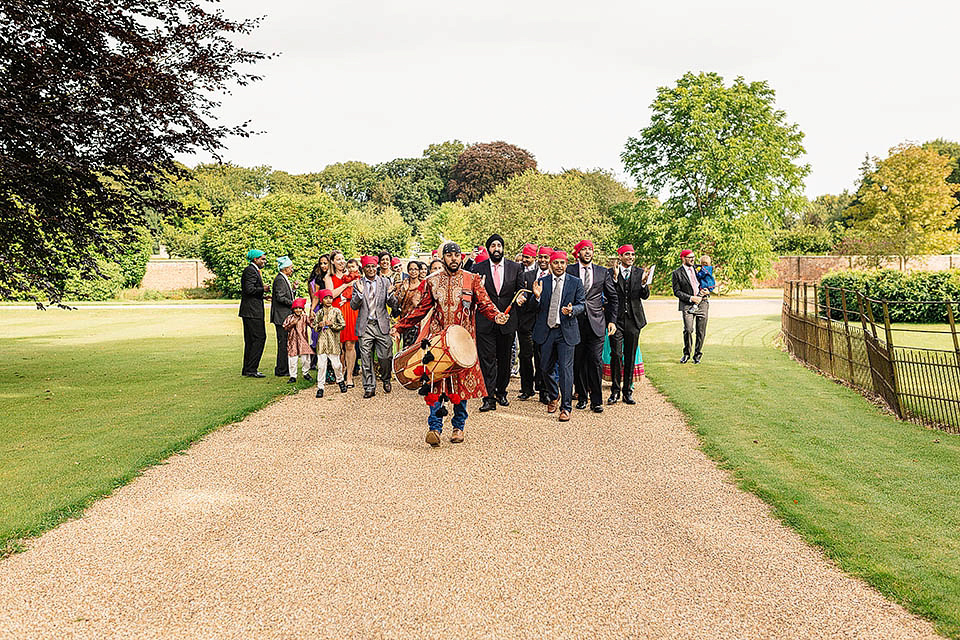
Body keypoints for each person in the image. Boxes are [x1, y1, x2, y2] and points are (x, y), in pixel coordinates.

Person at [392, 242, 509, 447]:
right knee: (435, 384)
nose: (453, 258)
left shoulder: (471, 280)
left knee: (460, 386)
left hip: (462, 343)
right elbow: (421, 310)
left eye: (456, 255)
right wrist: (400, 326)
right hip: (437, 343)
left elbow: (484, 303)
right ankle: (434, 428)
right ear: (443, 258)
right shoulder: (432, 281)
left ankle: (458, 426)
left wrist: (496, 316)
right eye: (449, 255)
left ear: (461, 257)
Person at [525, 250, 585, 422]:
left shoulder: (575, 282)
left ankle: (566, 408)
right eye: (556, 262)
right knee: (544, 368)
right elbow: (532, 308)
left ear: (566, 264)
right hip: (546, 331)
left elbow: (583, 304)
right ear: (551, 264)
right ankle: (553, 395)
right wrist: (536, 298)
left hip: (566, 331)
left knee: (566, 371)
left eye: (562, 263)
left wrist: (573, 310)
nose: (559, 266)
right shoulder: (541, 282)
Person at [471, 233, 524, 412]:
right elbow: (472, 295)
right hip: (485, 322)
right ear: (488, 249)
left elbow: (520, 290)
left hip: (507, 321)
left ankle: (501, 391)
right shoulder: (477, 268)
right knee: (487, 360)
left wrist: (521, 298)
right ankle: (488, 397)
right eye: (493, 246)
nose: (496, 249)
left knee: (504, 359)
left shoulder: (515, 267)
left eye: (499, 246)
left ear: (503, 248)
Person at [567, 240, 618, 413]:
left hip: (597, 322)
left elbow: (613, 297)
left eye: (590, 249)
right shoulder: (570, 270)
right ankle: (581, 397)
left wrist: (612, 321)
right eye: (584, 249)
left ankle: (597, 400)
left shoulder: (603, 272)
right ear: (578, 252)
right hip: (575, 322)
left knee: (596, 361)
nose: (588, 252)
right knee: (578, 361)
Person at [607, 244, 650, 405]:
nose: (631, 257)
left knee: (630, 356)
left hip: (634, 320)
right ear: (620, 257)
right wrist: (616, 279)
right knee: (616, 355)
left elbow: (644, 296)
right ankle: (615, 391)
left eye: (632, 254)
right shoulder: (611, 273)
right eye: (627, 254)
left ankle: (627, 392)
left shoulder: (639, 273)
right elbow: (610, 293)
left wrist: (644, 284)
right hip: (616, 320)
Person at [351, 255, 398, 398]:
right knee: (366, 357)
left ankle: (385, 378)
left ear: (376, 268)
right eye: (367, 267)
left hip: (381, 324)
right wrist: (359, 293)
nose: (370, 269)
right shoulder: (358, 284)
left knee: (385, 356)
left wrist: (390, 295)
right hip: (365, 326)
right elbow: (353, 305)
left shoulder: (385, 282)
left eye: (373, 267)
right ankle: (369, 387)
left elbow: (393, 304)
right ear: (363, 269)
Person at [325, 251, 358, 389]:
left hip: (350, 311)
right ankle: (340, 374)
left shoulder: (350, 274)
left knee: (350, 345)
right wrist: (346, 285)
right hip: (336, 313)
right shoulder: (329, 277)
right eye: (338, 259)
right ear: (332, 261)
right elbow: (330, 295)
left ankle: (349, 376)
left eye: (343, 258)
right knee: (338, 347)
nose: (341, 261)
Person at [516, 243, 543, 401]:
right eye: (524, 257)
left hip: (540, 321)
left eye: (528, 257)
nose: (525, 260)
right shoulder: (520, 271)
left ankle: (540, 384)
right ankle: (526, 388)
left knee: (541, 355)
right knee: (525, 355)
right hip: (525, 321)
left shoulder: (542, 273)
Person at [672, 249, 709, 363]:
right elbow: (676, 291)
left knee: (701, 331)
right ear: (683, 258)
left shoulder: (700, 269)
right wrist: (691, 298)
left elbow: (709, 281)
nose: (693, 259)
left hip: (702, 303)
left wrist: (708, 290)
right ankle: (686, 353)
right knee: (688, 330)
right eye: (689, 257)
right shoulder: (677, 273)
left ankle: (697, 355)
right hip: (687, 305)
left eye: (693, 257)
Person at [239, 249, 270, 378]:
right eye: (262, 259)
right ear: (255, 259)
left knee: (251, 340)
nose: (264, 261)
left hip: (250, 310)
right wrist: (263, 289)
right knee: (259, 338)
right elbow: (249, 289)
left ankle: (248, 368)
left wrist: (263, 296)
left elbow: (250, 292)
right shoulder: (251, 271)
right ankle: (252, 368)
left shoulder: (252, 270)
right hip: (252, 312)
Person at [312, 288, 348, 398]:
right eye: (325, 298)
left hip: (333, 342)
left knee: (336, 364)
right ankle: (320, 387)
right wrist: (319, 325)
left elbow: (342, 324)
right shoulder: (319, 312)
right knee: (321, 366)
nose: (328, 300)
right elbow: (314, 325)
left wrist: (332, 324)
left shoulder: (336, 311)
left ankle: (340, 380)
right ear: (322, 300)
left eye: (330, 298)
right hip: (322, 343)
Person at [271, 256, 296, 378]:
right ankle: (281, 369)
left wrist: (293, 290)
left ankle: (283, 368)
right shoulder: (280, 280)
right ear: (285, 268)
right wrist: (294, 304)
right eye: (291, 268)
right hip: (281, 317)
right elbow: (280, 297)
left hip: (283, 316)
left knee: (285, 342)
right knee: (283, 343)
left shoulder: (283, 278)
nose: (292, 270)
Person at [282, 298, 314, 383]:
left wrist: (314, 319)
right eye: (296, 308)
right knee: (292, 359)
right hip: (292, 341)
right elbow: (285, 327)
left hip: (303, 341)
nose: (298, 310)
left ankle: (306, 373)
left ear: (302, 309)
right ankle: (293, 375)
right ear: (293, 309)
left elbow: (312, 325)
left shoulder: (304, 317)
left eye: (300, 308)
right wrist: (292, 323)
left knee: (305, 359)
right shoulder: (290, 318)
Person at [307, 253, 330, 370]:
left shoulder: (336, 276)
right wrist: (311, 309)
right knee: (317, 335)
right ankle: (316, 362)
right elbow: (316, 296)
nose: (322, 266)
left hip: (334, 309)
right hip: (320, 308)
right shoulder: (318, 278)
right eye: (321, 263)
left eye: (325, 263)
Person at [395, 260, 424, 348]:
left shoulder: (423, 286)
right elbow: (397, 303)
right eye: (411, 269)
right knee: (406, 348)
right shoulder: (403, 284)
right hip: (405, 320)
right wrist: (404, 290)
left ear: (419, 271)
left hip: (418, 320)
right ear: (408, 271)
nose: (413, 271)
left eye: (415, 269)